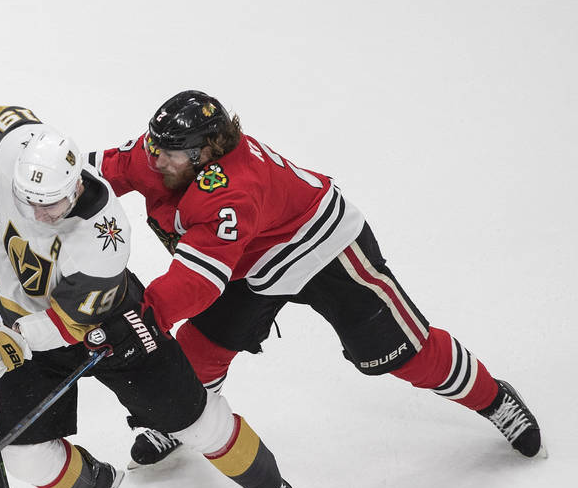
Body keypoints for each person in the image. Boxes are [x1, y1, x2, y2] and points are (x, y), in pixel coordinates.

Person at [0, 105, 331, 488]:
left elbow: (69, 324)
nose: (40, 215)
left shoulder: (103, 238)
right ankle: (91, 484)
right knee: (22, 457)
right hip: (23, 318)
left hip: (113, 328)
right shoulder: (19, 150)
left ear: (74, 186)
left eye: (52, 203)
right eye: (28, 201)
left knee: (201, 424)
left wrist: (3, 348)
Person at [92, 90, 543, 467]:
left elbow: (196, 281)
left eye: (168, 153)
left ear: (206, 151)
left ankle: (493, 398)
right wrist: (36, 187)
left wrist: (140, 319)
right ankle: (189, 419)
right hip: (249, 255)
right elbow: (90, 173)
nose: (155, 160)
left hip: (323, 246)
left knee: (405, 351)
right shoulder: (158, 155)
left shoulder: (228, 190)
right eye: (154, 147)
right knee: (199, 350)